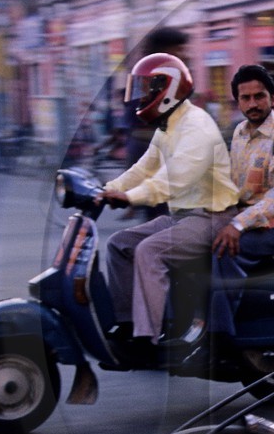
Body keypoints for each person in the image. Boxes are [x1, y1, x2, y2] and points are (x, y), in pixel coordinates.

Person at [101, 52, 239, 350]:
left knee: (149, 251)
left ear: (168, 88)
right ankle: (127, 322)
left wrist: (130, 197)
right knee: (119, 244)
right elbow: (144, 168)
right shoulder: (169, 125)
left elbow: (174, 178)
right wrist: (108, 189)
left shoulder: (196, 126)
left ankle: (147, 338)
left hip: (212, 217)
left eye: (147, 89)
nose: (141, 98)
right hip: (183, 216)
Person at [207, 65, 274, 334]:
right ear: (238, 102)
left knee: (225, 250)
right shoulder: (240, 133)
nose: (253, 104)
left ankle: (220, 335)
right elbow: (235, 186)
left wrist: (237, 225)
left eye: (259, 96)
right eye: (246, 98)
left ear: (272, 98)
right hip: (250, 218)